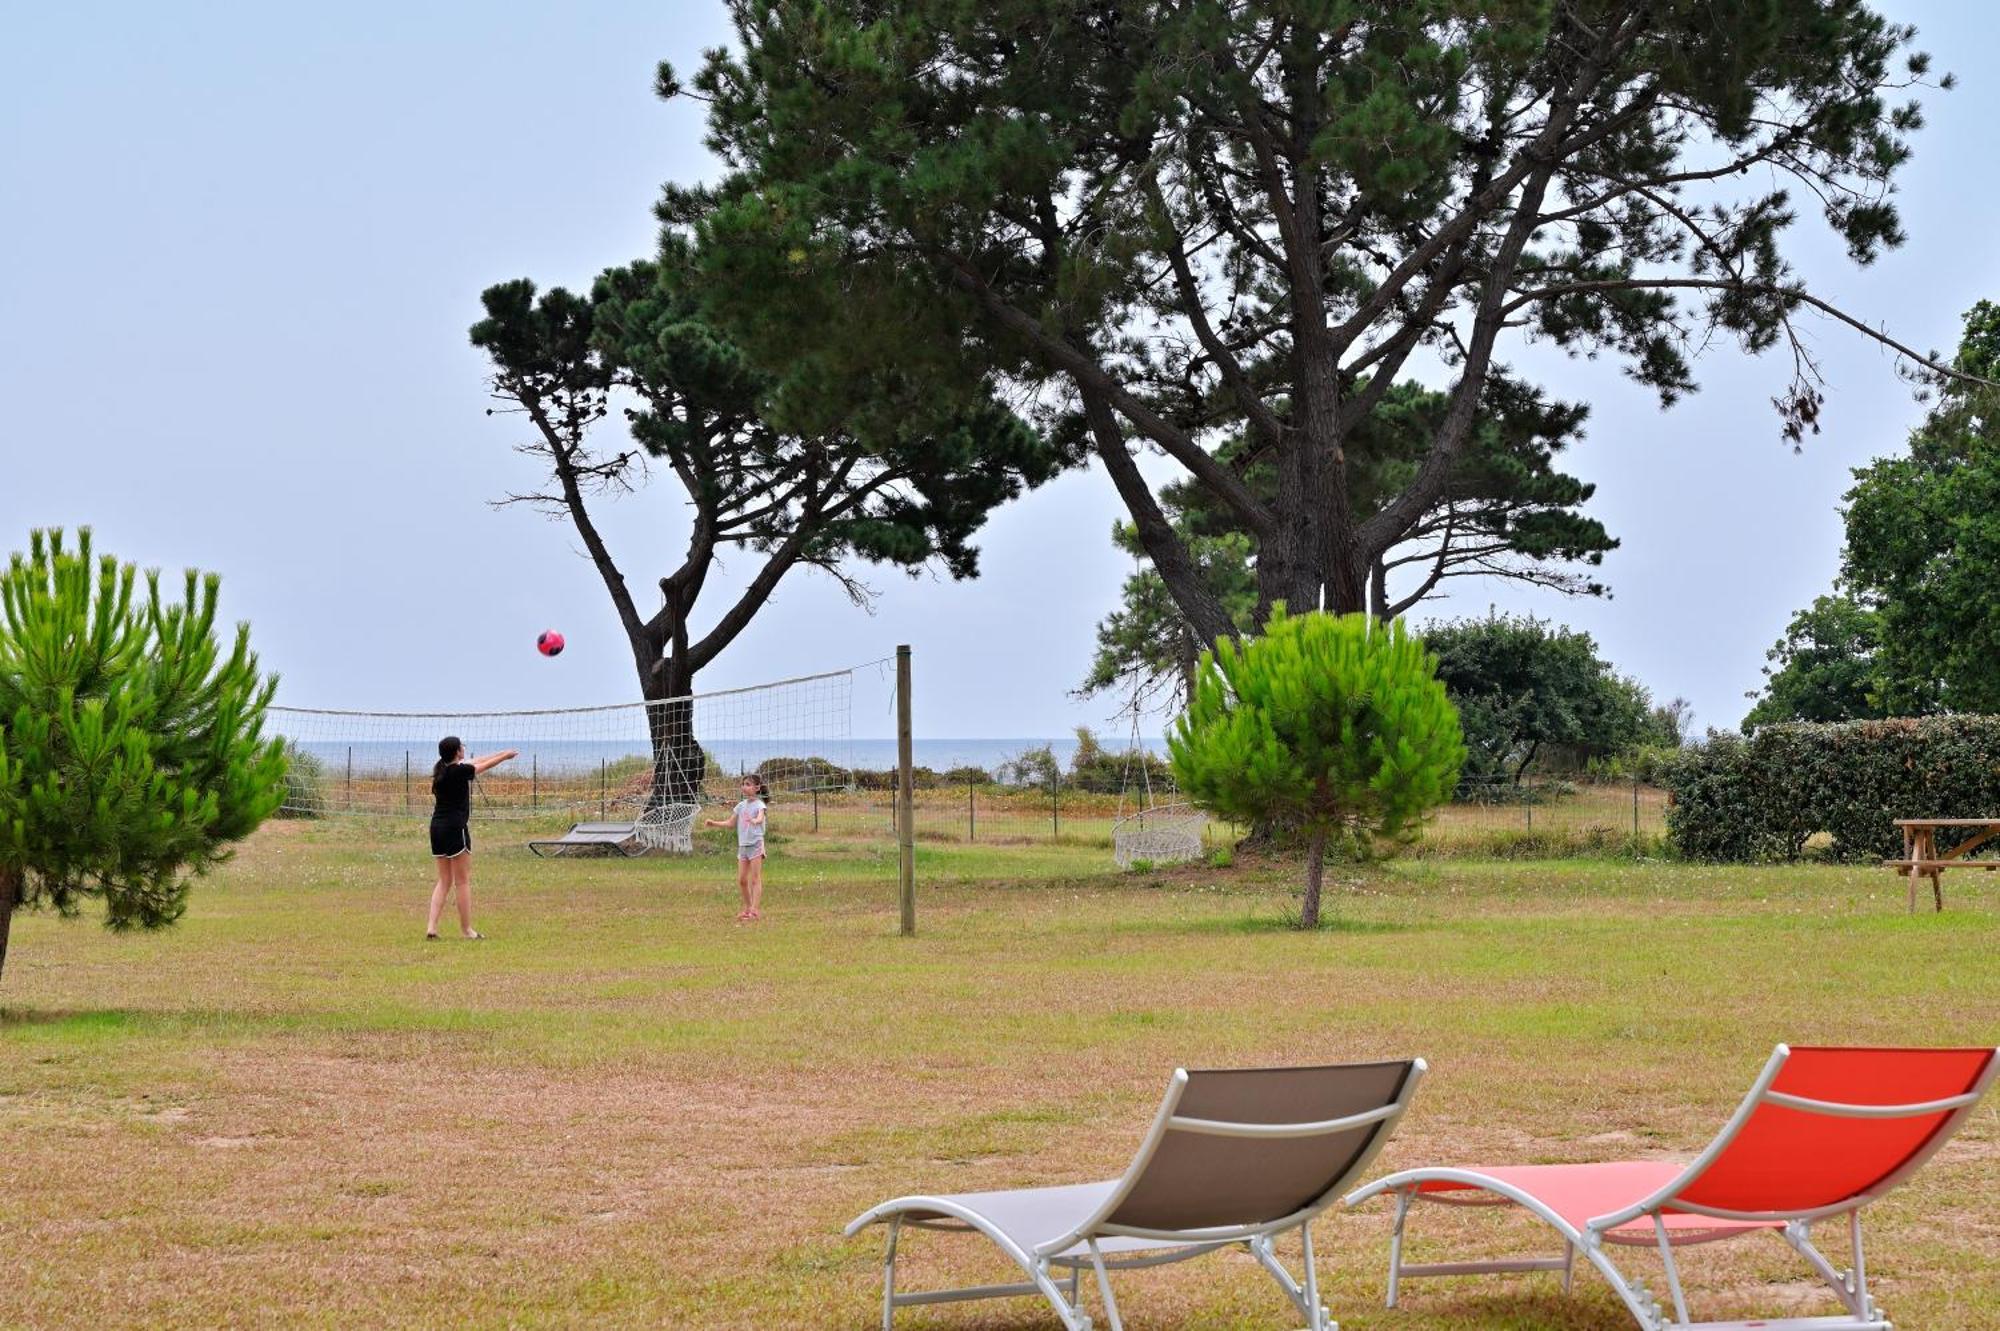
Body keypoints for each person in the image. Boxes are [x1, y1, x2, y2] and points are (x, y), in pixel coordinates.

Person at [426, 735, 518, 940]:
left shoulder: (441, 769)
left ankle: (431, 928)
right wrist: (504, 757)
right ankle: (467, 930)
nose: (464, 749)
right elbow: (483, 766)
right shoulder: (459, 771)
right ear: (457, 751)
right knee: (462, 882)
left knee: (444, 880)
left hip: (436, 829)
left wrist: (502, 752)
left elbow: (476, 761)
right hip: (454, 828)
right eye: (462, 747)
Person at [705, 775, 768, 921]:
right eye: (743, 784)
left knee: (755, 878)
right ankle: (747, 908)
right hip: (743, 847)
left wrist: (755, 821)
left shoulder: (760, 805)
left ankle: (754, 910)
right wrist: (714, 823)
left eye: (748, 784)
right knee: (741, 880)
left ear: (757, 788)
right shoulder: (740, 806)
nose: (744, 787)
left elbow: (760, 817)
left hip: (756, 844)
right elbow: (730, 823)